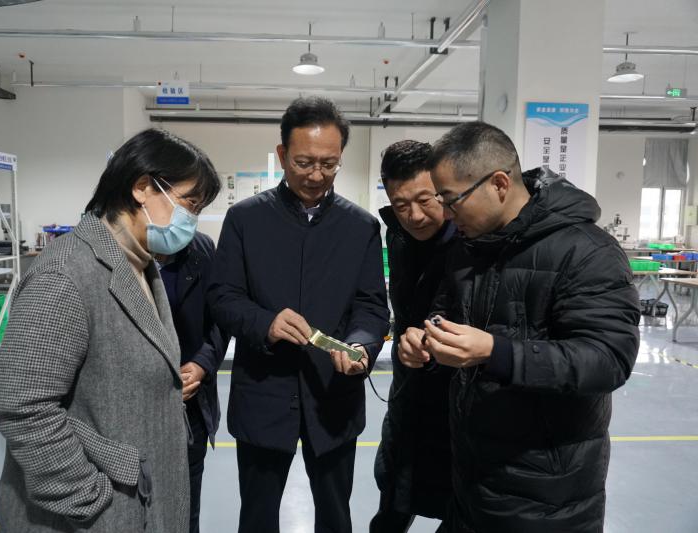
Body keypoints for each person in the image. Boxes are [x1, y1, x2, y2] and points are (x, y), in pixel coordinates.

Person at [399, 121, 640, 532]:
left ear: (498, 183)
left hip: (546, 497)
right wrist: (425, 343)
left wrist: (497, 352)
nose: (447, 215)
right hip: (471, 481)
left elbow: (607, 359)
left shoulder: (586, 251)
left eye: (453, 200)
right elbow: (443, 316)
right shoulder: (469, 248)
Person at [0, 128, 220, 532]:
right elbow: (24, 408)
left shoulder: (139, 265)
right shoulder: (65, 274)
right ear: (143, 188)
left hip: (139, 498)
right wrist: (94, 501)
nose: (192, 219)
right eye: (189, 203)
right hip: (93, 514)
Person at [207, 96, 390, 533]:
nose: (316, 175)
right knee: (257, 518)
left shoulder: (361, 227)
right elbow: (223, 297)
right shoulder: (245, 220)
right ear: (282, 154)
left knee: (336, 517)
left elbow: (371, 306)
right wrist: (264, 323)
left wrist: (361, 345)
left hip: (333, 397)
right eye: (304, 162)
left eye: (329, 164)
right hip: (264, 396)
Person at [370, 140, 457, 533]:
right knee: (393, 501)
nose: (415, 216)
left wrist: (431, 334)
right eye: (401, 204)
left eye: (425, 200)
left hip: (459, 404)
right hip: (408, 393)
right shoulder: (398, 236)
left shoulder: (470, 238)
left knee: (458, 509)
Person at [157, 227, 229, 533]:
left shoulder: (200, 248)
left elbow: (220, 319)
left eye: (197, 207)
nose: (188, 214)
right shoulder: (114, 252)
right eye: (188, 203)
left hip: (190, 409)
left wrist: (202, 363)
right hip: (132, 412)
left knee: (185, 512)